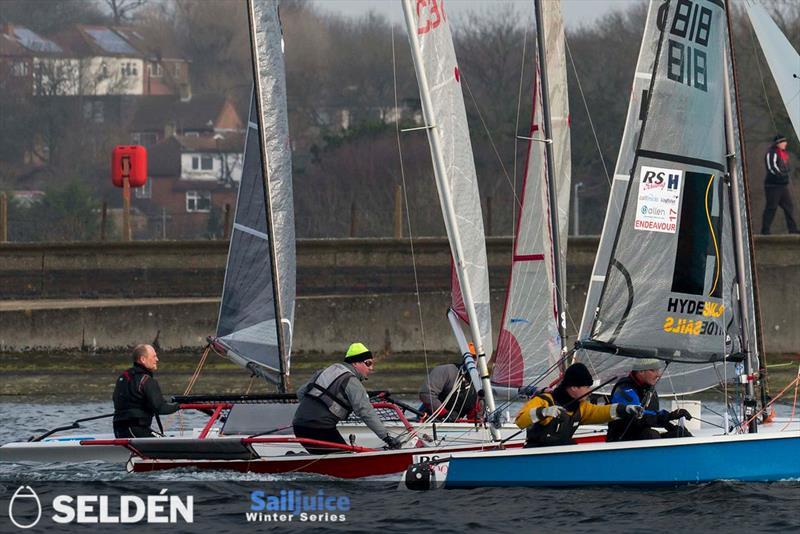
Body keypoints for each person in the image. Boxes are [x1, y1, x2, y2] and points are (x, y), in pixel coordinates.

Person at [292, 342, 402, 454]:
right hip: (320, 428)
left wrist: (311, 412)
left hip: (298, 426)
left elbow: (300, 393)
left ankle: (294, 458)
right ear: (355, 363)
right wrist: (387, 438)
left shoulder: (325, 371)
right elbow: (366, 412)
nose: (371, 368)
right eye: (368, 363)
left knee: (322, 458)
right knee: (344, 458)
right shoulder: (352, 381)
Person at [515, 362, 643, 447]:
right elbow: (520, 420)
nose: (589, 391)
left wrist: (625, 409)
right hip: (538, 454)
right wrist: (544, 412)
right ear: (574, 387)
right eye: (586, 387)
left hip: (562, 453)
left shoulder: (581, 407)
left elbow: (602, 412)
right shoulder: (544, 400)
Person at [606, 358, 693, 442]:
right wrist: (668, 416)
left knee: (682, 433)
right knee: (651, 435)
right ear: (641, 371)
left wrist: (673, 421)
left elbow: (653, 413)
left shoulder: (648, 388)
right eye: (653, 370)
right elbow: (639, 417)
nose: (658, 375)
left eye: (658, 370)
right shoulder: (625, 389)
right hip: (621, 441)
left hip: (639, 438)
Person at [113, 344, 180, 438]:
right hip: (136, 430)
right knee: (166, 443)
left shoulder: (123, 377)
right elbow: (160, 408)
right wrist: (180, 406)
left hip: (118, 430)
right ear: (143, 359)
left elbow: (123, 401)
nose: (157, 359)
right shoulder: (147, 380)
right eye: (154, 356)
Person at [419, 343, 479, 422]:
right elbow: (426, 394)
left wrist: (476, 420)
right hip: (429, 421)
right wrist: (444, 414)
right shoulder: (446, 371)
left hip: (455, 425)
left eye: (474, 357)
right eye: (469, 357)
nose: (471, 360)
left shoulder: (481, 382)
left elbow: (475, 409)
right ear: (464, 357)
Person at [762, 134, 798, 234]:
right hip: (773, 186)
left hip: (782, 186)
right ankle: (765, 230)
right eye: (783, 142)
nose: (785, 144)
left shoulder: (783, 154)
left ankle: (793, 230)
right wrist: (782, 175)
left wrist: (786, 174)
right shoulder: (771, 153)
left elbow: (786, 167)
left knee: (789, 206)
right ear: (778, 143)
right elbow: (771, 168)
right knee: (771, 207)